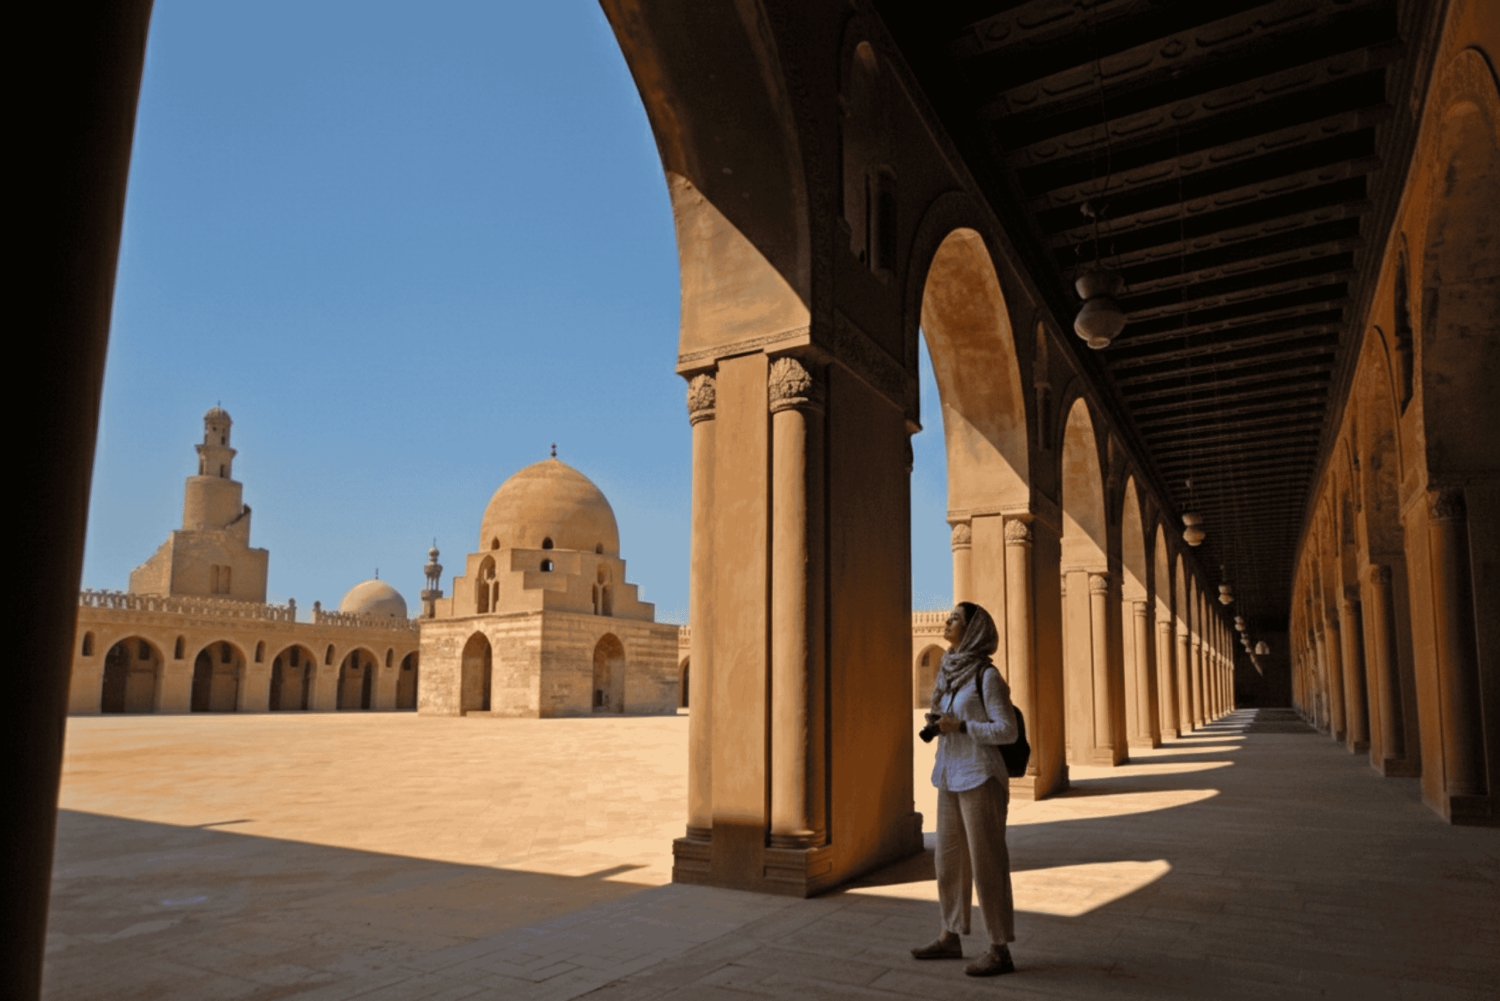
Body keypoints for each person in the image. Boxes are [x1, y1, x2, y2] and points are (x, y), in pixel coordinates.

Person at [910, 601, 1019, 977]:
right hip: (949, 774)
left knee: (988, 862)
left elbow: (1007, 730)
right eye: (948, 615)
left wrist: (963, 727)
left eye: (955, 618)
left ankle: (999, 948)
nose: (946, 621)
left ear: (973, 629)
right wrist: (940, 722)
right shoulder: (949, 672)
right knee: (949, 862)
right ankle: (950, 934)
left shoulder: (986, 677)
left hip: (980, 776)